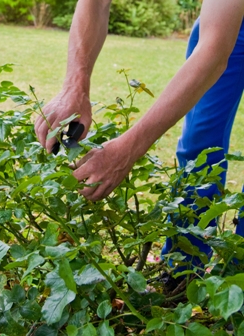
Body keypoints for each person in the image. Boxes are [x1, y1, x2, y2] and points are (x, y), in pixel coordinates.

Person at [35, 0, 244, 271]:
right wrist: (75, 86)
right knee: (199, 149)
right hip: (226, 23)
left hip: (221, 27)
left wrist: (128, 149)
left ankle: (238, 281)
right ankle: (182, 271)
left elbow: (214, 53)